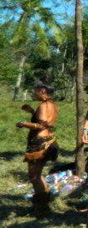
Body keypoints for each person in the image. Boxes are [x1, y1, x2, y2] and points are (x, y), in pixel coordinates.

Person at [18, 81, 59, 209]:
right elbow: (45, 121)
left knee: (34, 176)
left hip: (40, 144)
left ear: (42, 91)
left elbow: (41, 125)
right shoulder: (52, 105)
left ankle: (42, 205)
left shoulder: (43, 106)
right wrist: (32, 112)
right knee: (38, 174)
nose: (34, 93)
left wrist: (23, 123)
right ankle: (44, 200)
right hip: (49, 140)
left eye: (36, 91)